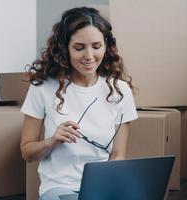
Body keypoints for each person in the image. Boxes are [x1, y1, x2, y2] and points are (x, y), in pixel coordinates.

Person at [20, 7, 138, 200]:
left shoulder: (120, 90)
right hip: (59, 189)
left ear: (106, 45)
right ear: (64, 47)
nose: (89, 56)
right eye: (79, 47)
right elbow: (27, 153)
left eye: (97, 46)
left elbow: (118, 156)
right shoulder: (42, 87)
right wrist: (52, 141)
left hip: (102, 188)